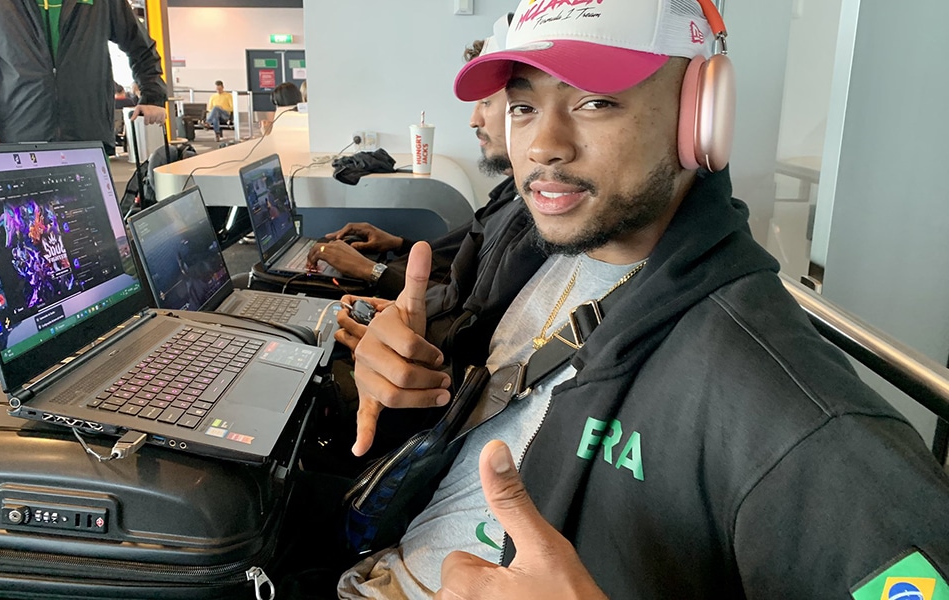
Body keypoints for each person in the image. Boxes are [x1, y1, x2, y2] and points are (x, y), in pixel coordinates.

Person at [337, 0, 949, 598]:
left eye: (595, 101)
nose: (543, 144)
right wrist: (398, 374)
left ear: (702, 118)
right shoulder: (545, 249)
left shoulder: (798, 419)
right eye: (523, 105)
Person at [307, 36, 517, 300]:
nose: (473, 120)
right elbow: (457, 257)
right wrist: (397, 243)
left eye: (485, 102)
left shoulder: (524, 217)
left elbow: (460, 308)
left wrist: (370, 270)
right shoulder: (511, 193)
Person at [0, 0, 167, 154]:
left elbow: (141, 47)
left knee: (92, 213)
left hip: (87, 134)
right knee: (29, 214)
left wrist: (152, 95)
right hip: (19, 135)